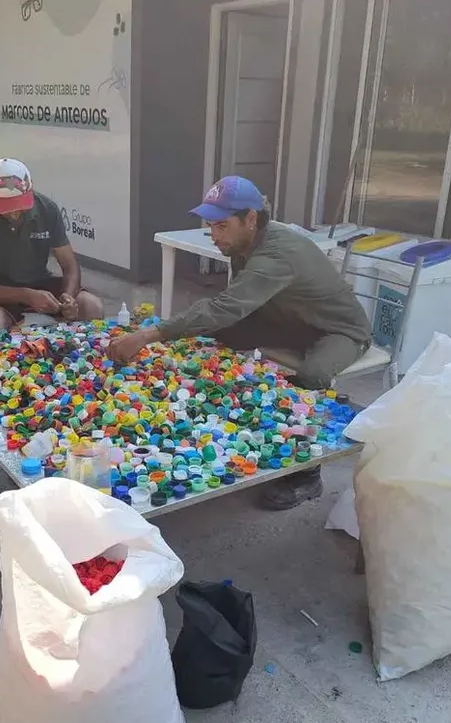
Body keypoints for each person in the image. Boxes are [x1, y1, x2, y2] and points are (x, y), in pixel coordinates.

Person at [109, 175, 371, 509]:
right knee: (214, 333)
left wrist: (149, 335)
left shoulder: (276, 254)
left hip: (336, 329)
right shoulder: (245, 243)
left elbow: (225, 307)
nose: (214, 236)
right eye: (210, 226)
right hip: (288, 320)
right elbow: (231, 307)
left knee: (311, 377)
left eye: (221, 226)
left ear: (250, 220)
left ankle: (307, 476)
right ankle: (219, 402)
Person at [0, 158, 103, 335]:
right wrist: (26, 295)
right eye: (7, 206)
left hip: (40, 283)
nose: (14, 213)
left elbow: (70, 266)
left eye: (20, 204)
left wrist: (68, 296)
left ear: (31, 188)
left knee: (92, 307)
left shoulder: (47, 209)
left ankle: (80, 359)